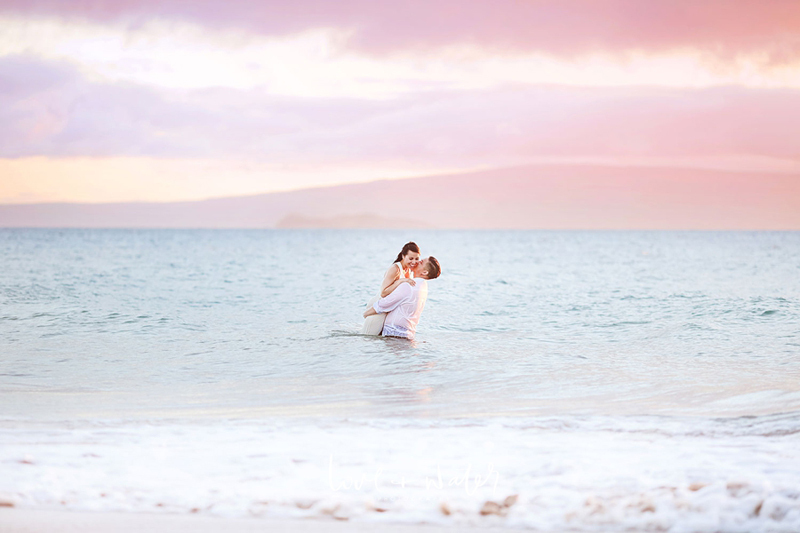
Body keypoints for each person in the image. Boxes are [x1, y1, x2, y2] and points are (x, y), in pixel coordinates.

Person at [363, 257, 441, 340]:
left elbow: (385, 303)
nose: (416, 262)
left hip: (394, 334)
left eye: (421, 262)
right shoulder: (423, 287)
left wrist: (366, 313)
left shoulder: (409, 285)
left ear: (424, 272)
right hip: (407, 334)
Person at [361, 242, 421, 335]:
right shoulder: (395, 269)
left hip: (387, 310)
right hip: (379, 309)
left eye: (416, 259)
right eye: (411, 258)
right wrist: (399, 281)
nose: (414, 262)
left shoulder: (409, 270)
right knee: (368, 339)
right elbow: (383, 293)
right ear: (403, 256)